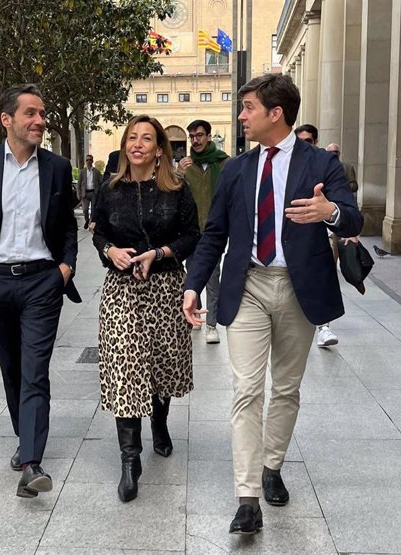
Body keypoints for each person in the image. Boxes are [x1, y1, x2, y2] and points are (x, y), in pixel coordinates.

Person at [183, 74, 362, 535]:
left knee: (285, 388)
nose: (241, 116)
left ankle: (272, 466)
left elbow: (353, 214)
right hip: (248, 287)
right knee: (246, 389)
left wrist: (331, 214)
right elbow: (215, 234)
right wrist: (192, 285)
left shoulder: (320, 163)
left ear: (274, 112)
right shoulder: (238, 169)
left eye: (247, 107)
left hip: (299, 289)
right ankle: (247, 498)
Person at [0, 84, 81, 498]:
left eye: (42, 113)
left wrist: (64, 268)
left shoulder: (57, 168)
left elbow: (66, 225)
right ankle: (24, 439)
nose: (40, 121)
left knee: (35, 371)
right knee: (12, 369)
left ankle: (31, 462)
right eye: (30, 113)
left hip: (42, 282)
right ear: (7, 119)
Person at [92, 114, 200, 503]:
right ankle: (129, 459)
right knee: (125, 367)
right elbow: (99, 231)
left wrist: (160, 252)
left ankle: (160, 422)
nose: (138, 144)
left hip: (166, 286)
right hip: (121, 289)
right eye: (132, 137)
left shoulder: (176, 188)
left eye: (147, 138)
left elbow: (193, 235)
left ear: (158, 148)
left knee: (161, 364)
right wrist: (110, 251)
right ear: (124, 145)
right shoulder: (110, 187)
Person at [177, 119, 229, 345]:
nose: (195, 140)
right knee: (192, 274)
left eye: (199, 135)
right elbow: (173, 193)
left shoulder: (224, 163)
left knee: (213, 277)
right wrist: (178, 173)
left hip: (214, 231)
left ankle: (212, 325)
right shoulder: (186, 166)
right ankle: (196, 314)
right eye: (192, 136)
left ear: (209, 136)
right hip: (189, 231)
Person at [293, 124, 339, 348]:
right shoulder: (290, 168)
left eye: (308, 141)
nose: (304, 145)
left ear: (316, 142)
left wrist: (331, 212)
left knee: (322, 276)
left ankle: (324, 325)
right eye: (299, 140)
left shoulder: (327, 167)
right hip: (298, 239)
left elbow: (346, 205)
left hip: (325, 234)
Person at [78, 154, 101, 229]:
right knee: (85, 209)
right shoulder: (82, 171)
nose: (88, 161)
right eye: (87, 160)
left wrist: (100, 193)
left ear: (92, 161)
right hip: (85, 193)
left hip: (94, 193)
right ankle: (87, 220)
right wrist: (79, 194)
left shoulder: (96, 172)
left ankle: (90, 223)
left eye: (90, 160)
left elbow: (101, 182)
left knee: (93, 210)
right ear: (85, 161)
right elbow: (79, 184)